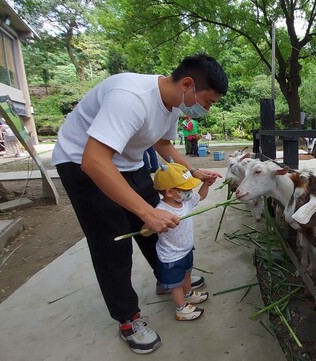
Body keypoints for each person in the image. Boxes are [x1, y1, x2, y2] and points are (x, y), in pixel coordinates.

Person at [51, 53, 227, 354]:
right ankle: (127, 318)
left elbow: (163, 144)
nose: (206, 109)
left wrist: (193, 172)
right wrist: (145, 211)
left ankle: (166, 277)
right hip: (81, 162)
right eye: (208, 102)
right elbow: (94, 162)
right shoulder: (130, 97)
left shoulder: (172, 105)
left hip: (128, 163)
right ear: (188, 84)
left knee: (157, 227)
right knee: (113, 242)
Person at [152, 163, 213, 321]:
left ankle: (188, 294)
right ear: (170, 192)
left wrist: (205, 184)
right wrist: (151, 223)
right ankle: (181, 308)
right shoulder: (161, 211)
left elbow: (201, 196)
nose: (190, 192)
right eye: (185, 189)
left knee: (187, 274)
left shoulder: (185, 201)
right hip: (172, 256)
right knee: (176, 284)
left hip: (186, 249)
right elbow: (148, 229)